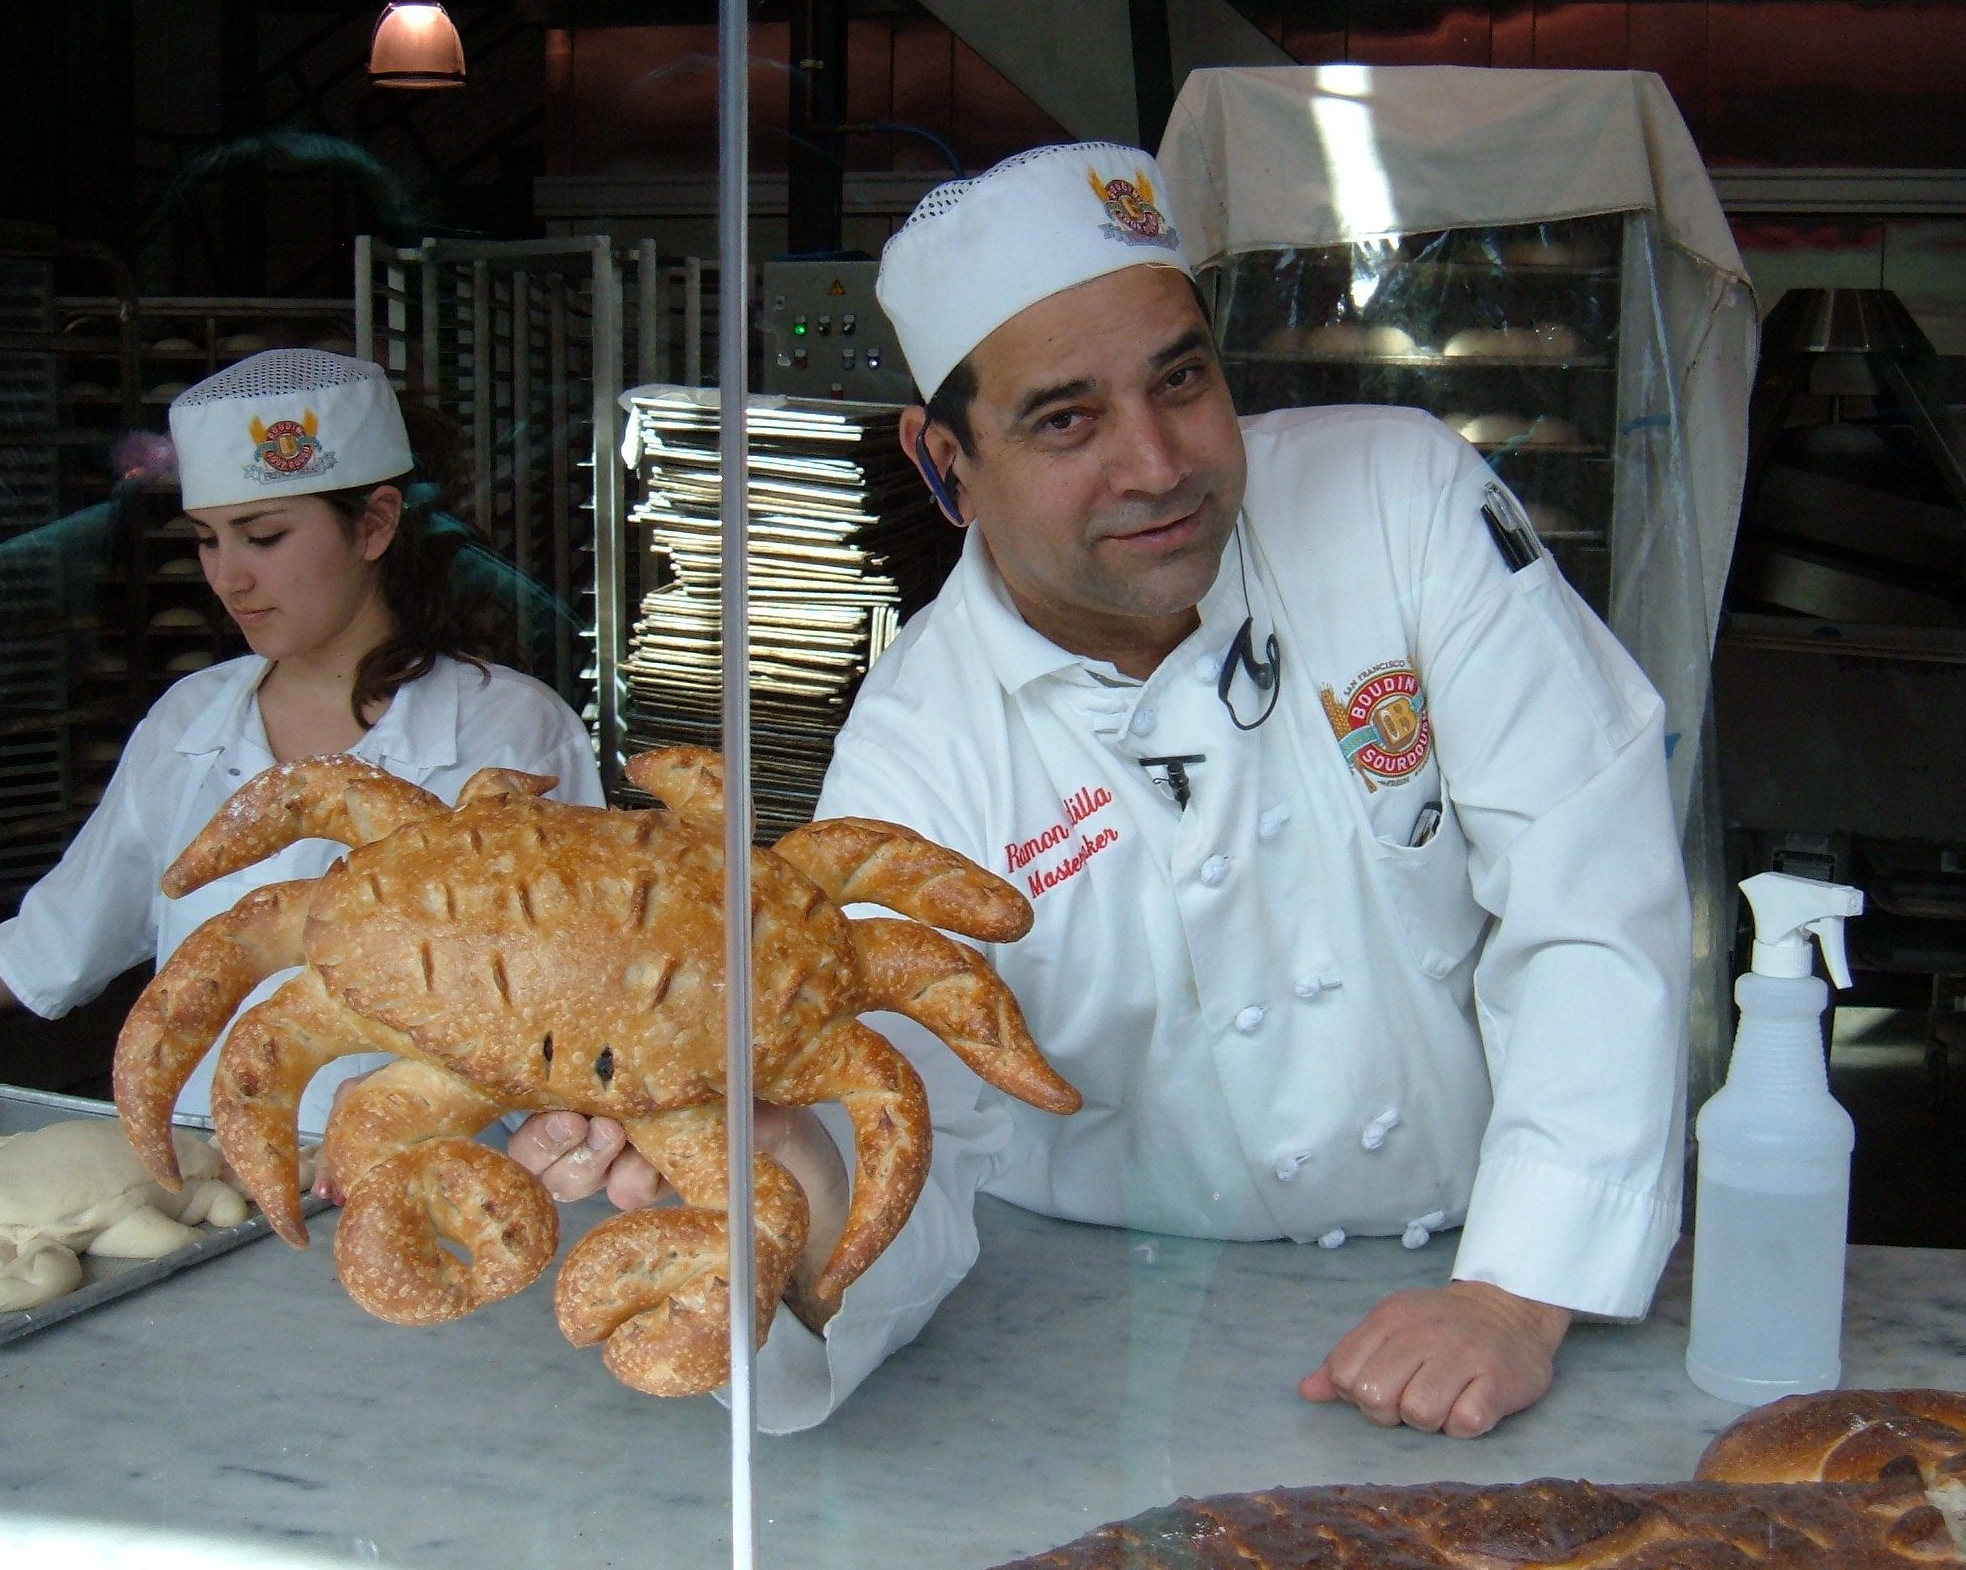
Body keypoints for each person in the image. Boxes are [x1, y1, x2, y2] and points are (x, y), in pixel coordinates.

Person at [510, 144, 1689, 1438]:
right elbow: (902, 1098)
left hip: (1486, 1269)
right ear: (943, 463)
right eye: (1066, 419)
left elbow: (1590, 880)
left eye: (1181, 380)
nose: (1157, 463)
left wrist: (1521, 1288)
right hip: (1099, 1328)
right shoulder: (921, 751)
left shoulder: (1396, 499)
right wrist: (789, 1172)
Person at [0, 350, 607, 1149]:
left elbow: (577, 1009)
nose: (227, 578)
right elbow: (54, 947)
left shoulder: (509, 732)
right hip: (206, 1182)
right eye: (207, 540)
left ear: (376, 524)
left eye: (264, 537)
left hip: (435, 1193)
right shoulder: (191, 725)